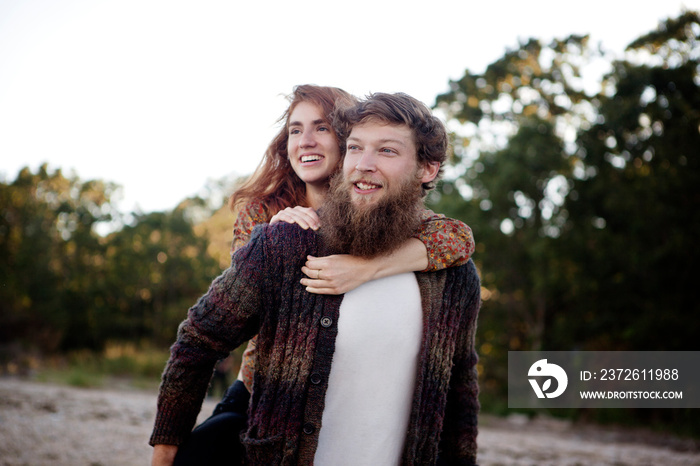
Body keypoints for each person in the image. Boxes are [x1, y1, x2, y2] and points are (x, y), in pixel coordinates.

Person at [150, 91, 481, 465]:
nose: (365, 164)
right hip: (258, 403)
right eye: (356, 148)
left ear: (427, 169)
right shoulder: (280, 236)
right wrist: (165, 450)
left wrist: (367, 268)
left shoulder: (452, 274)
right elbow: (200, 338)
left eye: (387, 151)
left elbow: (459, 386)